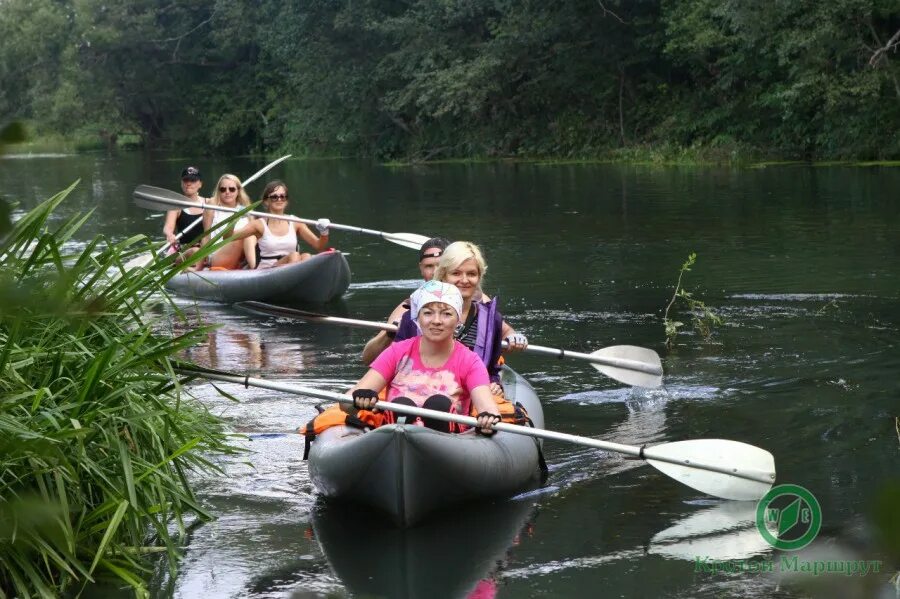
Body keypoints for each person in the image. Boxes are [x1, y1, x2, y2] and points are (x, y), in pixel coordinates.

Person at [364, 241, 527, 397]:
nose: (464, 280)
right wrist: (389, 333)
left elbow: (491, 368)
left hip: (470, 392)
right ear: (443, 276)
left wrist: (493, 382)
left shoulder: (490, 319)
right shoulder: (412, 315)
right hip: (415, 390)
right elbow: (384, 360)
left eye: (471, 274)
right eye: (456, 273)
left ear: (479, 277)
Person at [347, 281, 501, 435]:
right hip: (397, 434)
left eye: (447, 314)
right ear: (418, 317)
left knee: (438, 404)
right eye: (428, 313)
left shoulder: (470, 361)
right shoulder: (397, 351)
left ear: (457, 320)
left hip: (448, 440)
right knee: (403, 405)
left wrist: (488, 419)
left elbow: (487, 407)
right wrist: (361, 397)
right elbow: (345, 403)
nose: (436, 321)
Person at [360, 236, 451, 363]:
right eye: (429, 266)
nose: (435, 272)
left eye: (440, 266)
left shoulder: (478, 303)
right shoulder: (406, 308)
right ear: (421, 268)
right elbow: (368, 359)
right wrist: (389, 334)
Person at [224, 180, 330, 269]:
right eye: (274, 197)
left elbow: (319, 245)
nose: (279, 199)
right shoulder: (259, 225)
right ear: (266, 201)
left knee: (306, 256)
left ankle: (300, 284)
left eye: (282, 196)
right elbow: (228, 237)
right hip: (267, 272)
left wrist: (324, 232)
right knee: (294, 256)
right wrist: (234, 218)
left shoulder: (296, 222)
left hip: (291, 266)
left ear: (286, 200)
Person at [201, 173, 255, 269]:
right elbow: (206, 236)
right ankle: (254, 269)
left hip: (242, 257)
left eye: (232, 189)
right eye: (223, 189)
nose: (227, 192)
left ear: (238, 191)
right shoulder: (213, 206)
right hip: (217, 255)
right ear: (219, 191)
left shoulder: (245, 209)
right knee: (242, 237)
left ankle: (255, 264)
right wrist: (201, 262)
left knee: (254, 232)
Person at [162, 166, 205, 267]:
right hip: (185, 251)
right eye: (185, 180)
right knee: (195, 251)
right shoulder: (176, 206)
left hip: (205, 247)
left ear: (200, 184)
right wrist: (169, 234)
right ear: (181, 183)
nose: (188, 183)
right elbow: (168, 227)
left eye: (193, 180)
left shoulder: (209, 203)